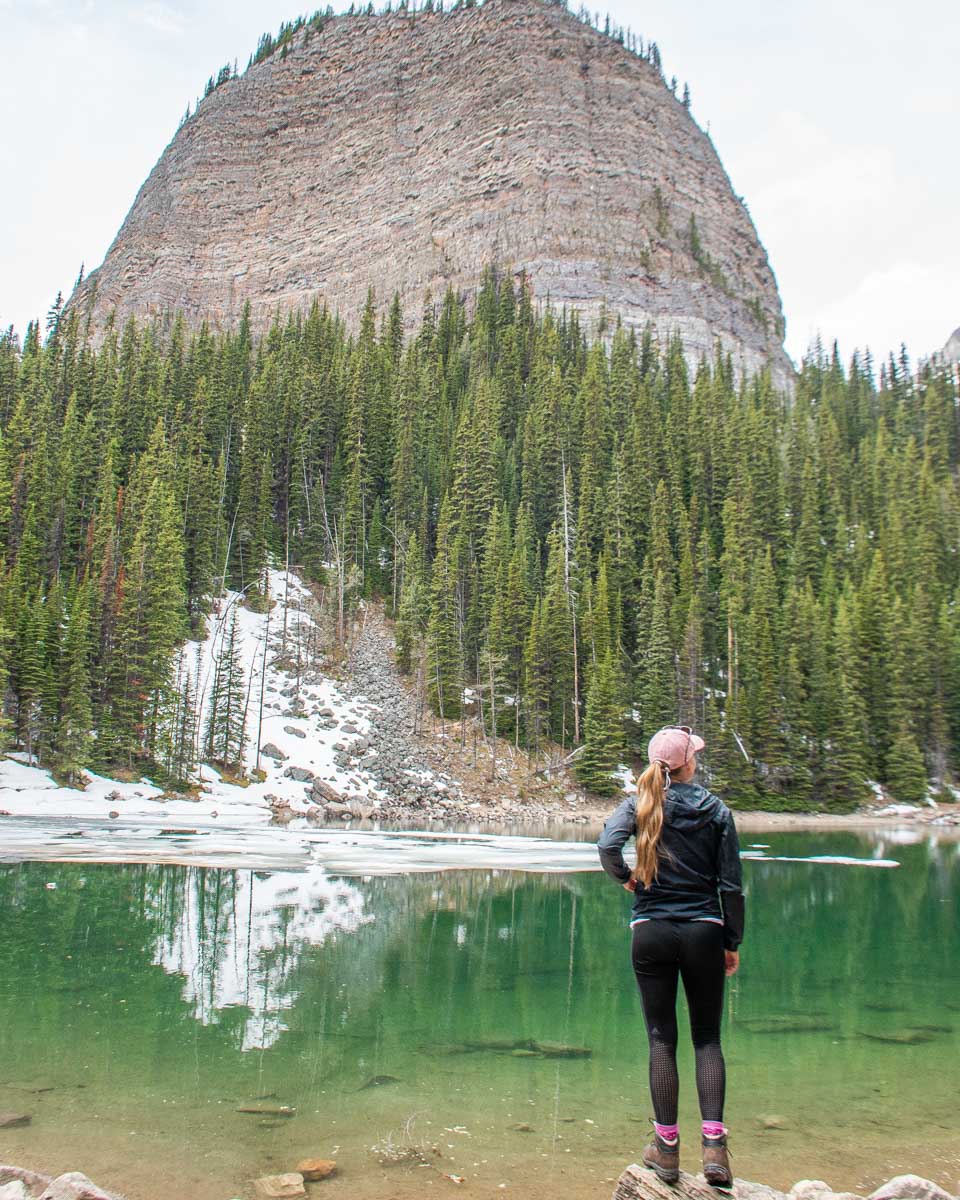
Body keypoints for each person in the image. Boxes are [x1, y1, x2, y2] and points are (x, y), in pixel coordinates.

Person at [597, 725, 744, 1187]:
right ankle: (715, 1151)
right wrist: (731, 942)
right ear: (689, 764)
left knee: (662, 1040)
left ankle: (666, 1150)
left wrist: (627, 878)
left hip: (652, 932)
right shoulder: (716, 810)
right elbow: (731, 886)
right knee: (707, 1040)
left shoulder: (641, 803)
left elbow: (605, 846)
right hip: (704, 931)